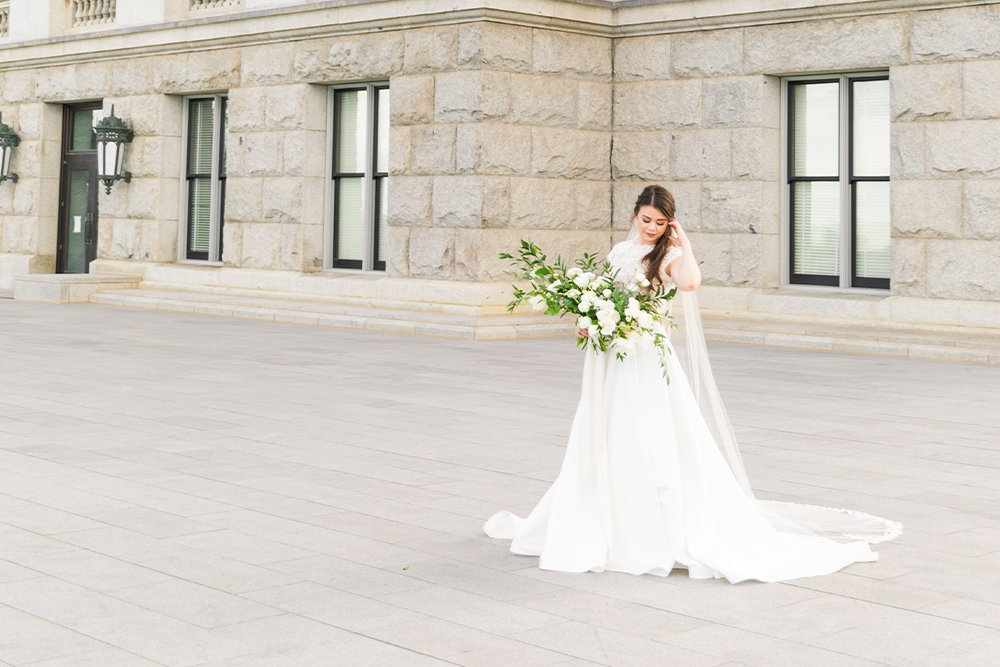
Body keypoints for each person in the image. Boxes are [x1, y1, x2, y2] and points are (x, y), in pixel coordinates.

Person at [483, 184, 902, 583]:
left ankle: (651, 518)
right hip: (612, 351)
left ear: (669, 223)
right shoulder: (620, 251)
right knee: (609, 426)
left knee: (649, 428)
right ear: (635, 215)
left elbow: (689, 283)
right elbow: (606, 294)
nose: (651, 227)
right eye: (646, 219)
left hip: (646, 352)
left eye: (660, 222)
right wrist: (588, 320)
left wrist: (684, 243)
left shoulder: (668, 255)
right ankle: (602, 508)